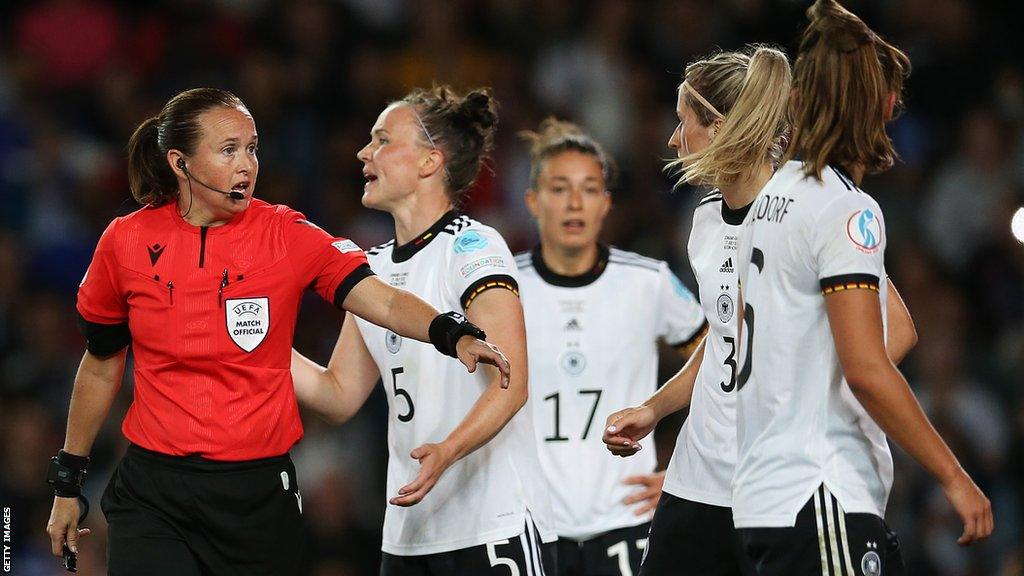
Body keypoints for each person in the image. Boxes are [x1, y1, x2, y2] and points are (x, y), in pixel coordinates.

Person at [44, 87, 510, 576]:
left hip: (259, 499)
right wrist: (67, 482)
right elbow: (100, 366)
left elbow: (384, 299)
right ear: (180, 163)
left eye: (252, 148)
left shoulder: (287, 234)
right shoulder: (125, 241)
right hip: (154, 493)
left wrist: (450, 331)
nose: (246, 164)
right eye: (229, 150)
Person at [602, 45, 920, 576]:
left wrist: (803, 404)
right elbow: (728, 337)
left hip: (782, 484)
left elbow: (900, 330)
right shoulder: (703, 221)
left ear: (723, 128)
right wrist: (655, 408)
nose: (672, 140)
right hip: (699, 479)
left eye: (684, 123)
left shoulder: (811, 208)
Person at [730, 1, 993, 574]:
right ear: (873, 104)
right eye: (888, 94)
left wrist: (829, 374)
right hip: (821, 493)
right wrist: (954, 475)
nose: (895, 108)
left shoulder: (772, 199)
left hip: (762, 496)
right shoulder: (848, 210)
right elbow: (870, 368)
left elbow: (897, 330)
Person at [290, 85, 557, 575]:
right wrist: (255, 341)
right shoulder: (369, 271)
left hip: (489, 527)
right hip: (409, 537)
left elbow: (511, 381)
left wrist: (447, 450)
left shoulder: (473, 247)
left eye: (382, 140)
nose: (363, 152)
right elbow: (338, 394)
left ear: (430, 162)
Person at [514, 118, 706, 576]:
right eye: (559, 188)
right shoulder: (502, 290)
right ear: (533, 202)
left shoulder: (646, 281)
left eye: (589, 188)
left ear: (606, 204)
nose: (574, 202)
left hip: (627, 519)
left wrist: (689, 473)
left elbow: (723, 362)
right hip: (530, 523)